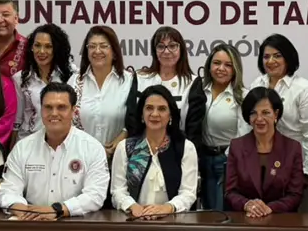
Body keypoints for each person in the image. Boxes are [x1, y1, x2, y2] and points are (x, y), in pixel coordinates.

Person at [0, 83, 109, 220]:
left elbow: (95, 195)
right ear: (41, 110)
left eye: (61, 107)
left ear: (74, 111)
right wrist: (22, 210)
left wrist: (57, 210)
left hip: (74, 226)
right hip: (30, 224)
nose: (54, 113)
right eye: (48, 107)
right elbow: (8, 189)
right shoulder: (22, 148)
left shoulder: (92, 148)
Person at [249, 34, 308, 212]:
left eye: (277, 55)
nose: (271, 61)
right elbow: (247, 126)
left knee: (301, 227)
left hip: (296, 169)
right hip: (262, 168)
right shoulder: (256, 85)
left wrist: (307, 172)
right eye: (266, 57)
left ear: (288, 58)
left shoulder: (304, 89)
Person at [111, 85, 198, 216]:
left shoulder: (186, 147)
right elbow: (118, 191)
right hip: (134, 220)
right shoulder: (125, 147)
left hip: (173, 222)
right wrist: (132, 206)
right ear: (141, 114)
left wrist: (167, 208)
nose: (155, 114)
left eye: (162, 109)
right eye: (149, 108)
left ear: (170, 115)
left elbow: (188, 193)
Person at [225, 87, 304, 217]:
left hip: (281, 220)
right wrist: (247, 205)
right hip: (245, 220)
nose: (259, 118)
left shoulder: (292, 148)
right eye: (253, 113)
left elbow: (295, 194)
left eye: (266, 112)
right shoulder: (237, 146)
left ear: (276, 114)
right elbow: (230, 192)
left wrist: (269, 208)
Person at [125, 26, 206, 148]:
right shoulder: (140, 78)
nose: (167, 51)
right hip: (141, 150)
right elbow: (131, 119)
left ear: (181, 49)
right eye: (161, 46)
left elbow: (194, 129)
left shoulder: (192, 83)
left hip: (178, 151)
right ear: (154, 51)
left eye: (173, 46)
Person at [70, 26, 133, 160]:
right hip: (81, 158)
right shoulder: (74, 81)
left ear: (114, 51)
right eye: (92, 46)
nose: (97, 51)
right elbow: (66, 120)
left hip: (119, 158)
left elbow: (137, 118)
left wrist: (121, 139)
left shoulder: (129, 81)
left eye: (103, 46)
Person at [199, 43, 248, 211]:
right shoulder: (198, 91)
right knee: (204, 213)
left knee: (222, 213)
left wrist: (228, 159)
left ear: (235, 69)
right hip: (201, 160)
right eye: (217, 63)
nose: (221, 69)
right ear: (209, 65)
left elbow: (244, 135)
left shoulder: (242, 96)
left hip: (227, 161)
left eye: (228, 65)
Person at [12, 24, 74, 142]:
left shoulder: (71, 75)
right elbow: (18, 119)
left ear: (56, 49)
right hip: (29, 141)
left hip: (64, 141)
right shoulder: (20, 78)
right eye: (37, 45)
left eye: (48, 46)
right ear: (31, 47)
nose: (41, 51)